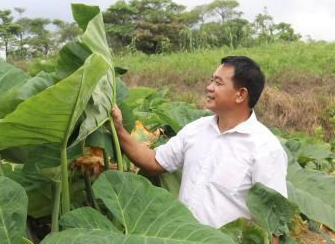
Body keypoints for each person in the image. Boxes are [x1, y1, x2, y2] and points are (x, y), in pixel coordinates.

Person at [111, 56, 287, 242]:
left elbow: (272, 225)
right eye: (212, 80)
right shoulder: (197, 129)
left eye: (218, 83)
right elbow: (155, 161)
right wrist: (119, 129)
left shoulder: (265, 148)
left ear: (241, 94)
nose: (209, 87)